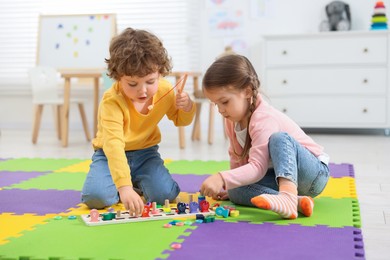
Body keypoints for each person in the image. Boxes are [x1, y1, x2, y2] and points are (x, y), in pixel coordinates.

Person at [81, 28, 196, 216]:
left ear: (160, 72)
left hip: (146, 153)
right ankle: (128, 183)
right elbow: (113, 145)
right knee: (96, 198)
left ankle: (134, 182)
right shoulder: (112, 101)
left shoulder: (165, 90)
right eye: (132, 84)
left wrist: (188, 107)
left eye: (150, 81)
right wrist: (124, 187)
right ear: (118, 77)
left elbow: (180, 121)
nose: (142, 91)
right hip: (109, 155)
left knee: (164, 195)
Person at [199, 55, 330, 219]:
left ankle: (287, 197)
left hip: (312, 174)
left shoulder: (264, 118)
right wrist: (229, 183)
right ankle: (297, 202)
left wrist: (221, 177)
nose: (220, 110)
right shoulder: (232, 121)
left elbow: (257, 168)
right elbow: (237, 158)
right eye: (216, 104)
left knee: (279, 139)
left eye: (224, 102)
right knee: (234, 190)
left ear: (247, 91)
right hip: (277, 177)